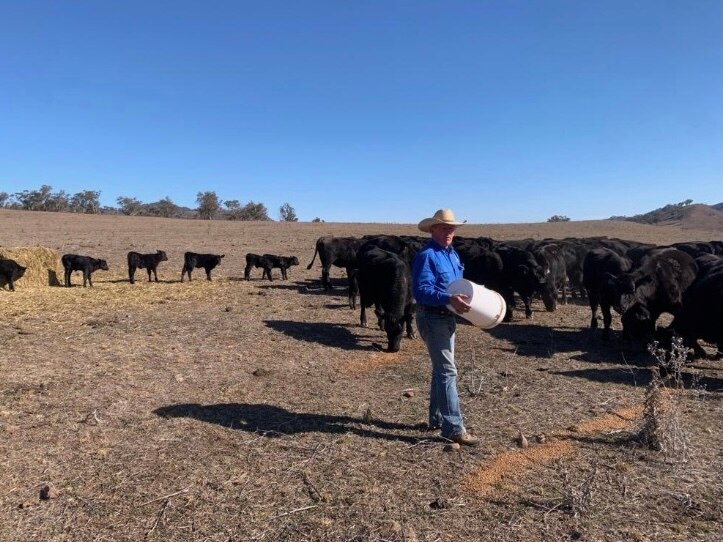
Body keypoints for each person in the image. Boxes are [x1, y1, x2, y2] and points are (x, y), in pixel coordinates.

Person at [412, 209, 479, 446]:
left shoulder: (451, 254)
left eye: (452, 228)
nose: (449, 232)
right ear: (433, 230)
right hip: (432, 316)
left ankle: (437, 417)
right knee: (448, 370)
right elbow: (420, 291)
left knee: (442, 368)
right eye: (444, 228)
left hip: (447, 317)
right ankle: (453, 428)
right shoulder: (426, 256)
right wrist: (448, 298)